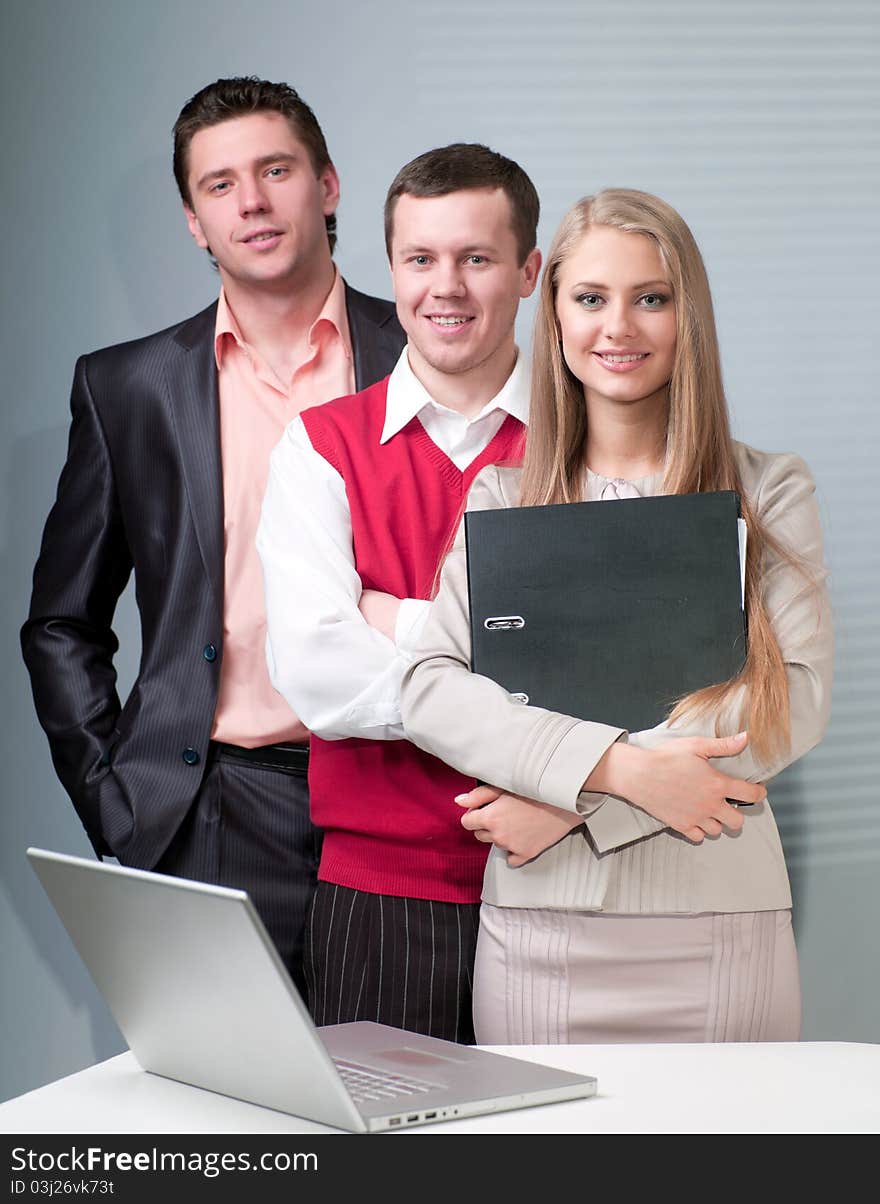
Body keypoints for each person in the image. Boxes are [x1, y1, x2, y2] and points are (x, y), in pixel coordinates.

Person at [401, 188, 833, 1044]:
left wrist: (579, 801)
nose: (618, 328)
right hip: (539, 931)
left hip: (720, 916)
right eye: (591, 298)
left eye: (652, 298)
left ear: (689, 317)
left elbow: (797, 699)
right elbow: (429, 688)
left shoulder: (771, 489)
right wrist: (624, 771)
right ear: (554, 315)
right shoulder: (501, 497)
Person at [20, 76, 405, 994]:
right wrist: (119, 800)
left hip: (402, 792)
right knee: (227, 1121)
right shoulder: (128, 388)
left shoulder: (421, 354)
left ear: (329, 184)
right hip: (216, 807)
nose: (254, 202)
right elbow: (61, 623)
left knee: (413, 1100)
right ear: (195, 220)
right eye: (221, 185)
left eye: (276, 170)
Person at [257, 144, 541, 1041]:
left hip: (571, 884)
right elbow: (320, 679)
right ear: (391, 270)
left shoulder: (595, 446)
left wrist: (399, 624)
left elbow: (629, 670)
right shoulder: (319, 448)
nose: (444, 286)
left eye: (477, 258)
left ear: (529, 271)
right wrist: (509, 666)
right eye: (421, 260)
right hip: (382, 899)